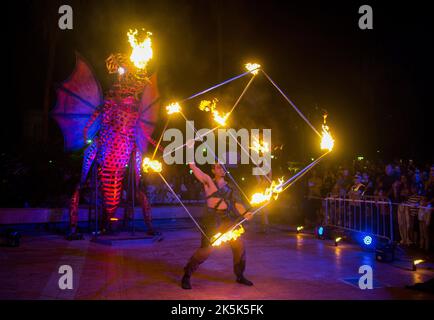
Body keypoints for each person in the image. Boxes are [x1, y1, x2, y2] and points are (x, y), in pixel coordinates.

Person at [181, 149, 254, 290]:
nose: (219, 168)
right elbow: (194, 168)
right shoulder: (208, 181)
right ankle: (187, 275)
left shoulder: (231, 187)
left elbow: (238, 204)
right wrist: (190, 152)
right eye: (217, 166)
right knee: (206, 251)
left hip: (227, 219)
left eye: (222, 166)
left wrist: (245, 213)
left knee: (239, 245)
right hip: (211, 220)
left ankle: (240, 275)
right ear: (213, 170)